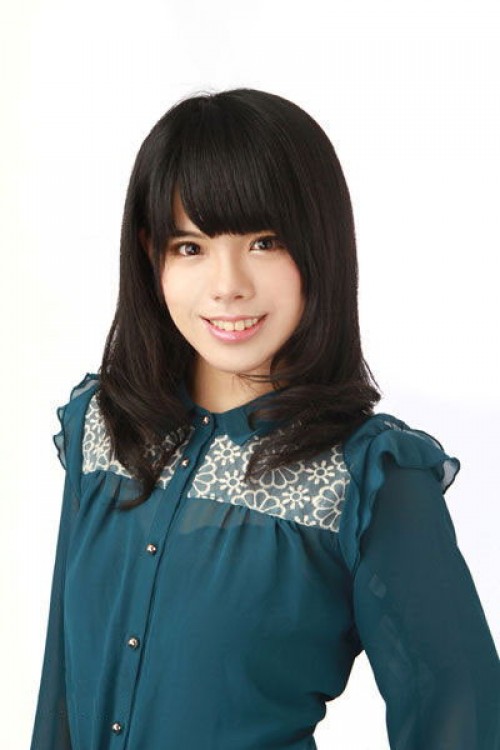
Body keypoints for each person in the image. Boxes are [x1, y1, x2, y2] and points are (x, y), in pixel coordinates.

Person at [30, 87, 500, 750]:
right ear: (150, 253)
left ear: (319, 247)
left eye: (264, 242)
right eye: (190, 247)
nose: (228, 285)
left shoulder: (369, 477)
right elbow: (61, 691)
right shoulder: (104, 428)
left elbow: (460, 716)